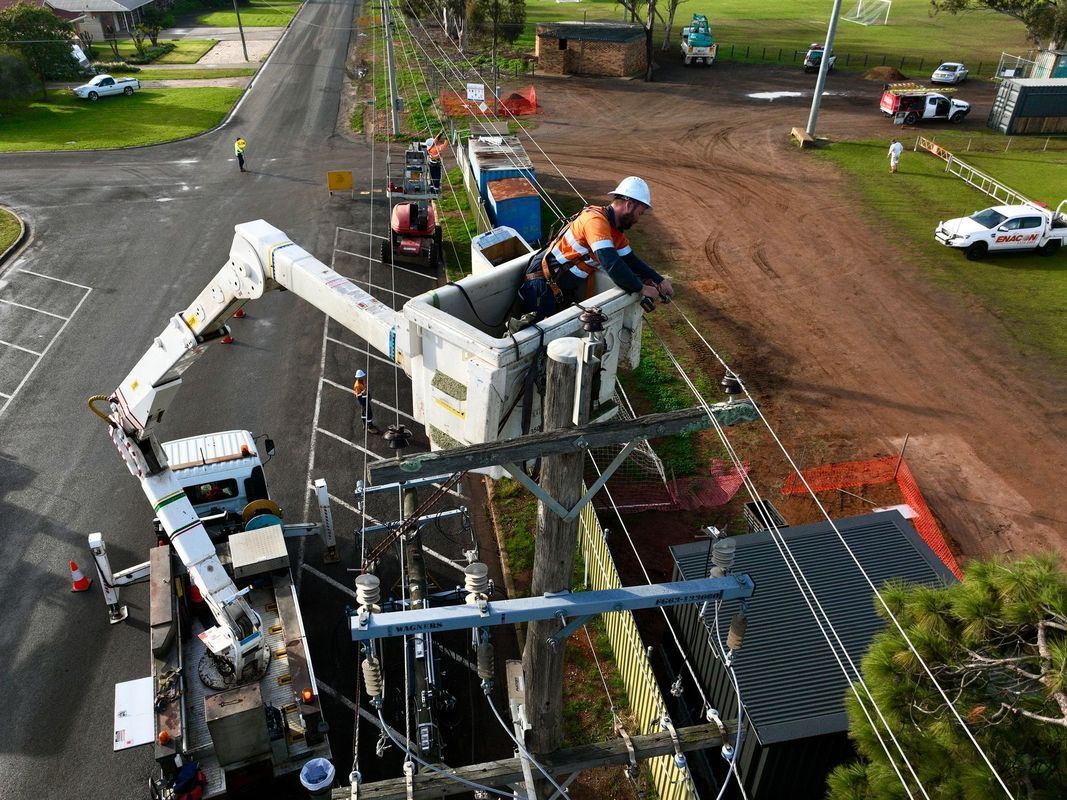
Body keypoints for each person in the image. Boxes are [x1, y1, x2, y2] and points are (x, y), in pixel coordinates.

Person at [518, 176, 674, 322]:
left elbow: (631, 260)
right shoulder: (595, 221)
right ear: (629, 205)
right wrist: (642, 288)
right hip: (540, 286)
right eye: (639, 213)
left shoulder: (614, 231)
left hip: (556, 287)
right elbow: (611, 263)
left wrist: (659, 280)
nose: (638, 219)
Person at [352, 369, 379, 435]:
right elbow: (359, 396)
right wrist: (364, 404)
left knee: (364, 413)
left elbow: (365, 389)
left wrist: (368, 396)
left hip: (365, 399)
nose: (362, 377)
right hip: (363, 401)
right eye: (361, 377)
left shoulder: (361, 381)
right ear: (358, 377)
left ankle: (365, 424)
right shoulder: (357, 385)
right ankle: (370, 427)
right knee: (368, 413)